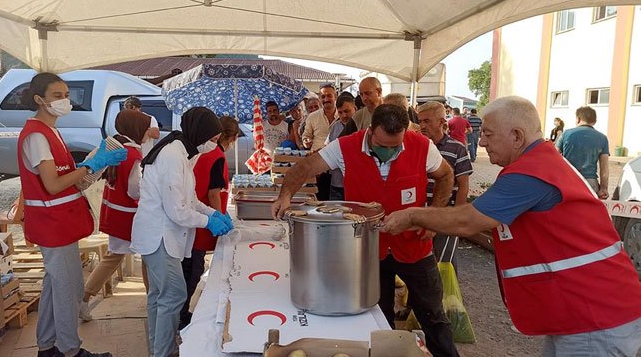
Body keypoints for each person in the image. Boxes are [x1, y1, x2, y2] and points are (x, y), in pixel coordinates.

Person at [382, 96, 641, 357]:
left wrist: (413, 215)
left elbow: (469, 220)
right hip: (585, 313)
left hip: (595, 318)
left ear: (517, 136)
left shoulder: (531, 172)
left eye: (488, 134)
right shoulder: (541, 163)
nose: (480, 142)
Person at [272, 104, 459, 357]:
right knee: (377, 319)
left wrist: (433, 217)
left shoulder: (423, 146)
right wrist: (285, 194)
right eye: (383, 145)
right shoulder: (345, 147)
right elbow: (306, 167)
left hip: (414, 246)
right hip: (367, 251)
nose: (389, 151)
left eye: (396, 146)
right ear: (371, 131)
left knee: (433, 316)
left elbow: (446, 176)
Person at [17, 72, 126, 357]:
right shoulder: (37, 135)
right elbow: (52, 184)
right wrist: (91, 166)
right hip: (52, 225)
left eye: (66, 95)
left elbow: (66, 175)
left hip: (60, 222)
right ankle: (69, 351)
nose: (64, 101)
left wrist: (91, 162)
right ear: (39, 99)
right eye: (57, 96)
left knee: (56, 285)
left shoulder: (50, 131)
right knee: (69, 289)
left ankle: (47, 346)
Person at [130, 107, 234, 356]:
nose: (214, 144)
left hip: (165, 234)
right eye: (212, 139)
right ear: (200, 132)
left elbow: (190, 200)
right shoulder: (172, 154)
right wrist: (208, 223)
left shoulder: (186, 152)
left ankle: (158, 347)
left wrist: (213, 213)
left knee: (159, 295)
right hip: (159, 235)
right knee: (174, 294)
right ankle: (164, 351)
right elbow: (177, 210)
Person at [80, 109, 151, 322]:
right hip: (128, 216)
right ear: (136, 129)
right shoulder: (134, 155)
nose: (149, 132)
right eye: (146, 128)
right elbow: (134, 190)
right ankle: (152, 301)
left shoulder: (115, 146)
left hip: (113, 211)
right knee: (148, 256)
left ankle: (84, 299)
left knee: (113, 257)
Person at [179, 115, 239, 329]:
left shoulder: (201, 152)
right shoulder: (217, 156)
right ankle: (180, 314)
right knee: (193, 269)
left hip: (195, 216)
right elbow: (213, 193)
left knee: (189, 266)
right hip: (200, 222)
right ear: (230, 138)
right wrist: (218, 216)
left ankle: (180, 311)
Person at [417, 102, 472, 272]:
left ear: (441, 122)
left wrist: (457, 216)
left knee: (444, 261)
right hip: (420, 214)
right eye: (420, 121)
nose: (422, 126)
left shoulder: (457, 148)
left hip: (445, 214)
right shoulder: (416, 146)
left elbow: (463, 186)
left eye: (427, 121)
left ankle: (447, 297)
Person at [556, 106, 609, 198]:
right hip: (590, 182)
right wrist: (604, 188)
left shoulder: (566, 134)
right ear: (595, 121)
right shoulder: (602, 138)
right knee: (588, 211)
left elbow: (554, 156)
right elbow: (604, 167)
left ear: (578, 119)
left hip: (567, 179)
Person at [302, 83, 339, 200]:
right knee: (318, 202)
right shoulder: (313, 117)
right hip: (318, 167)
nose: (326, 99)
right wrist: (306, 141)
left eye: (329, 96)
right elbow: (306, 135)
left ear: (336, 96)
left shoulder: (343, 115)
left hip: (338, 168)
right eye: (323, 97)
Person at [326, 94, 356, 200]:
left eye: (347, 111)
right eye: (340, 112)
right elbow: (328, 149)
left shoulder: (361, 127)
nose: (343, 115)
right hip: (337, 183)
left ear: (355, 109)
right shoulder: (335, 127)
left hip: (356, 184)